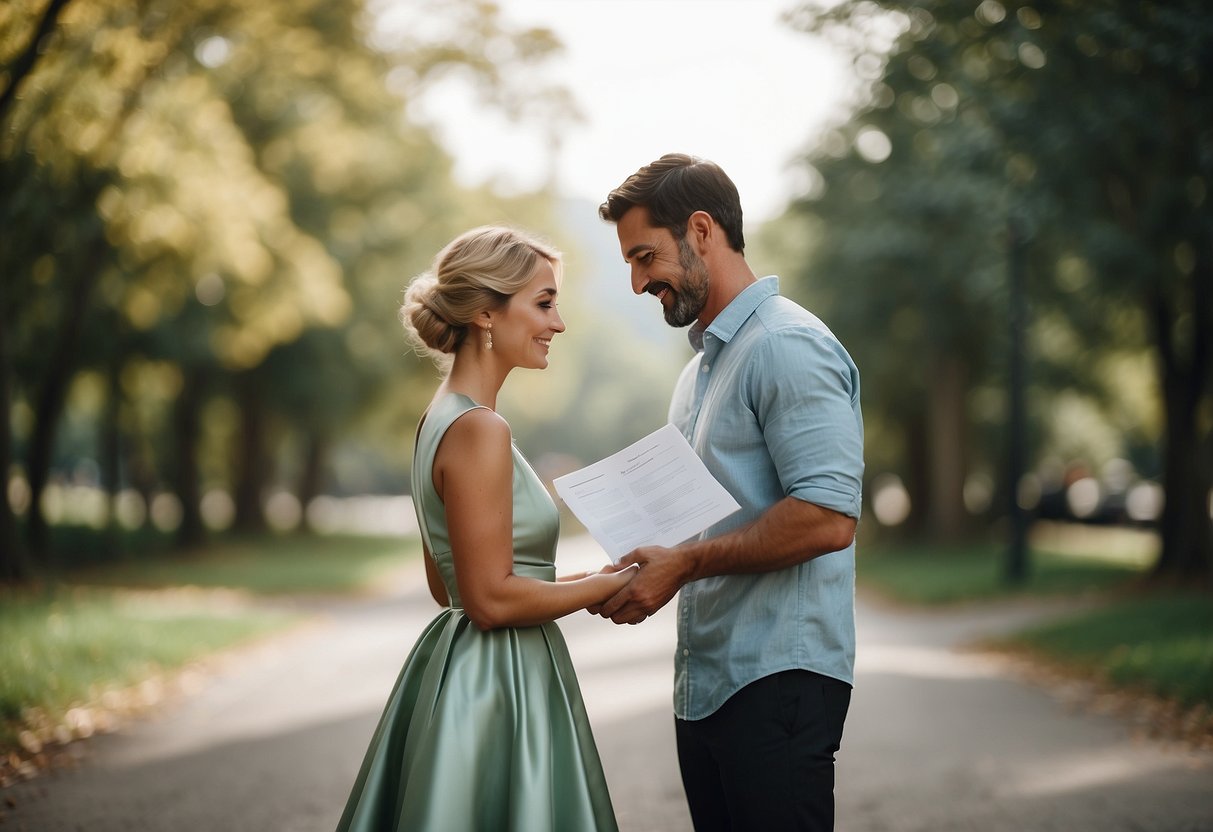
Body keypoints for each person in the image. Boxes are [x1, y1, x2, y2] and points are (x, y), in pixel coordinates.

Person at [336, 225, 637, 832]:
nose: (559, 323)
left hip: (460, 668)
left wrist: (592, 575)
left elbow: (448, 586)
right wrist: (610, 585)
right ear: (484, 313)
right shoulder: (480, 430)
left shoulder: (437, 420)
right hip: (498, 682)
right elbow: (490, 600)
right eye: (545, 303)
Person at [595, 154, 865, 831]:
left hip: (777, 681)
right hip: (706, 682)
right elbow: (700, 524)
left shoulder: (787, 345)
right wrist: (640, 565)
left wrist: (685, 564)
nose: (635, 282)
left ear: (700, 230)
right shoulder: (697, 375)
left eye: (644, 256)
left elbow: (828, 517)